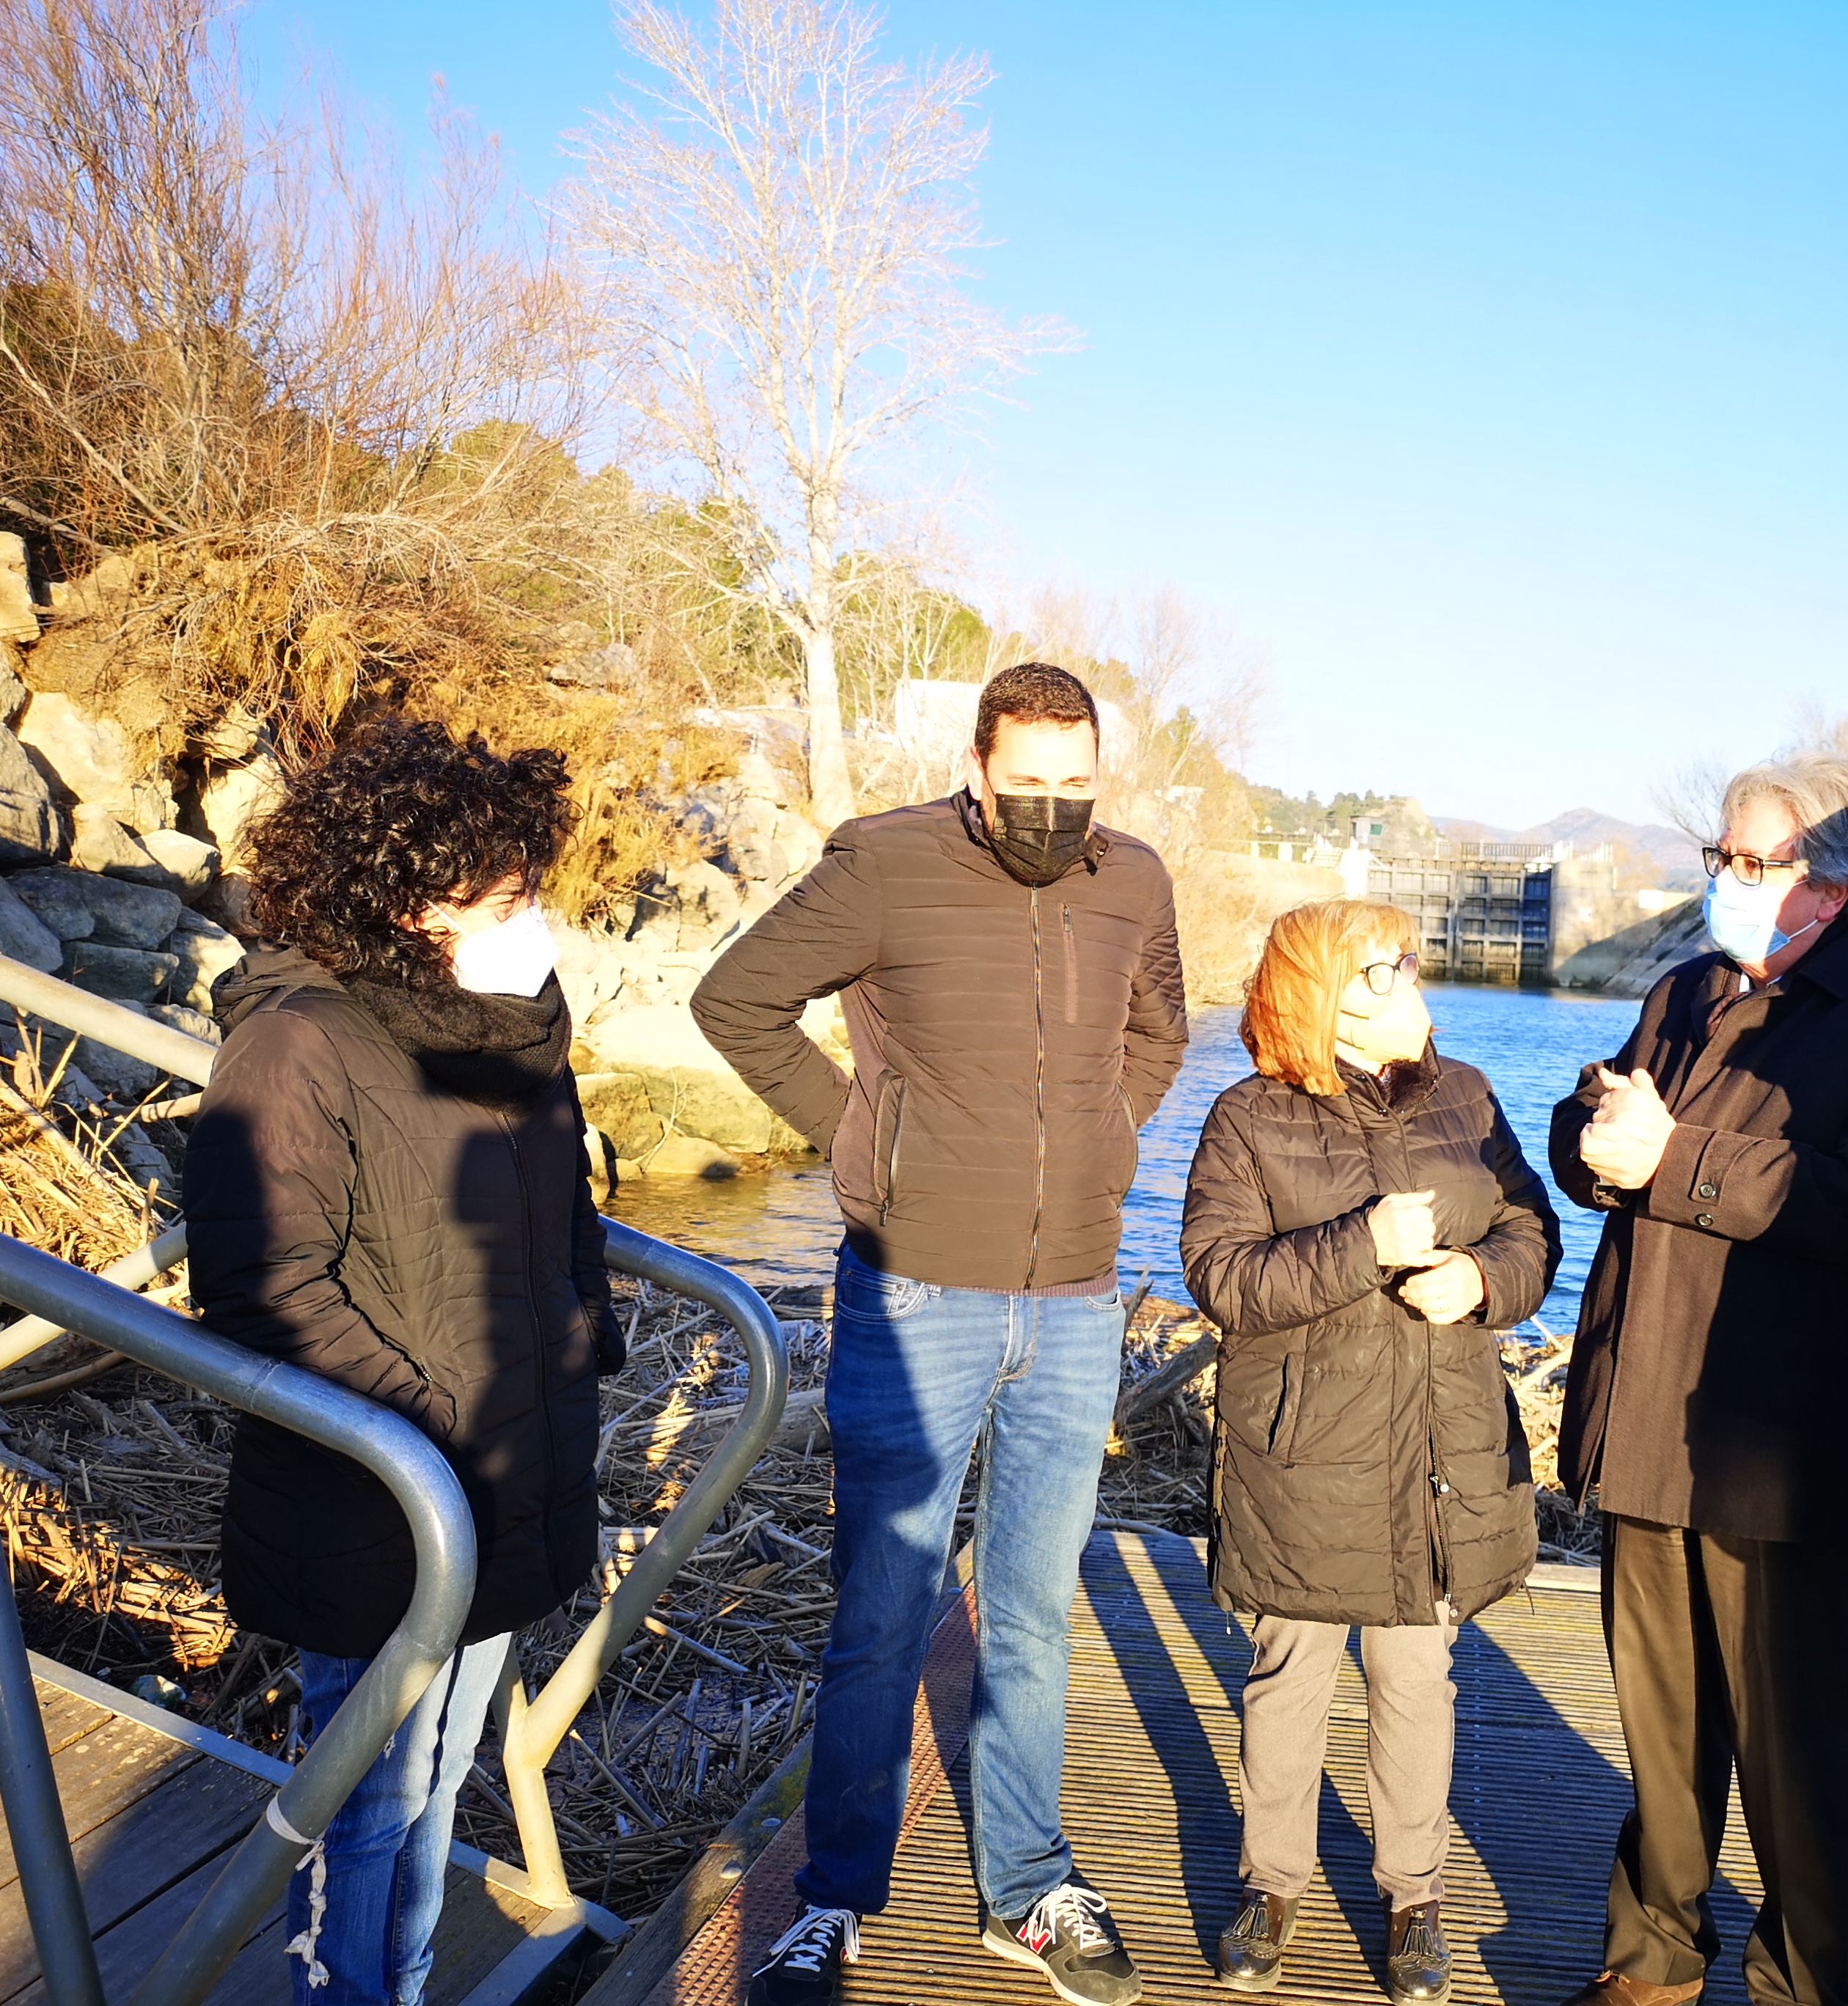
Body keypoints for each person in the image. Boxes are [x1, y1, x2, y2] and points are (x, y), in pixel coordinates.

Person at [692, 662, 1188, 2006]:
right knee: (885, 1612)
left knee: (1031, 1613)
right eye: (1025, 786)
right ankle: (838, 1896)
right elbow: (734, 1002)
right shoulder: (883, 866)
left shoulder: (1133, 879)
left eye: (1074, 787)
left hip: (1080, 1297)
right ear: (977, 770)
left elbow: (1161, 1027)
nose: (1050, 809)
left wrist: (1107, 1136)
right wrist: (864, 1145)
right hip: (917, 1296)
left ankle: (1025, 1890)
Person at [182, 721, 620, 2006]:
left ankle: (406, 1981)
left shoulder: (507, 1034)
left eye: (528, 890)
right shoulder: (296, 1043)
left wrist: (585, 1341)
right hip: (387, 1502)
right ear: (406, 898)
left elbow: (570, 1225)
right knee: (368, 1795)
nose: (528, 919)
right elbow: (264, 1291)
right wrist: (431, 1431)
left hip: (507, 1482)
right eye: (500, 897)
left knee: (437, 1778)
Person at [1547, 756, 1848, 2006]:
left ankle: (1801, 1987)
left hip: (1785, 1446)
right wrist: (1595, 1142)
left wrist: (1671, 1156)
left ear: (1835, 887)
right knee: (1664, 1743)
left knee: (1809, 1762)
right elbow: (1601, 1132)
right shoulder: (1686, 988)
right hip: (1642, 1422)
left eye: (1756, 863)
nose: (1726, 882)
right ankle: (1650, 1968)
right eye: (1719, 859)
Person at [1180, 900, 1560, 2005]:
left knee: (1417, 1679)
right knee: (1288, 1675)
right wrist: (1363, 1247)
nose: (1410, 981)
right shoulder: (1248, 1118)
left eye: (1404, 962)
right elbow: (1221, 1279)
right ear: (1320, 1001)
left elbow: (1534, 1231)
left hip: (1442, 1443)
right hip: (1304, 1453)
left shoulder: (1471, 1096)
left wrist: (1484, 1280)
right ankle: (1273, 1884)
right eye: (1380, 970)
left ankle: (1415, 1899)